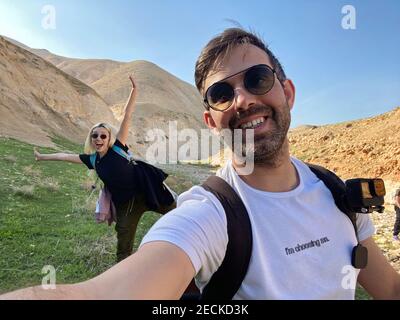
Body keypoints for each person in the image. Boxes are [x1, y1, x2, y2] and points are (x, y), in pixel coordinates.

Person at [2, 27, 400, 300]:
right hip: (125, 206)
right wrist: (40, 154)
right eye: (222, 93)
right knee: (128, 243)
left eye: (258, 79)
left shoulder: (338, 194)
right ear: (210, 120)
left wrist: (133, 97)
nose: (242, 100)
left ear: (288, 91)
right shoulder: (210, 215)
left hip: (144, 195)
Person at [32, 76, 176, 262]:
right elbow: (65, 156)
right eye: (95, 136)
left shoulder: (118, 150)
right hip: (126, 204)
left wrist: (134, 91)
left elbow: (127, 116)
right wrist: (42, 157)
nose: (98, 139)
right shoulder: (93, 160)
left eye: (103, 136)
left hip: (148, 191)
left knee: (179, 212)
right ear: (91, 139)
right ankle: (122, 273)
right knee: (123, 241)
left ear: (109, 139)